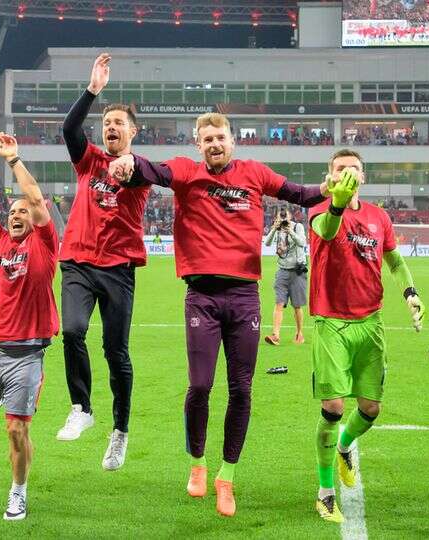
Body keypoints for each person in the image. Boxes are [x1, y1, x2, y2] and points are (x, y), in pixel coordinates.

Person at [108, 112, 331, 516]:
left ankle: (226, 477)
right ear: (198, 143)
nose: (214, 143)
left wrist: (328, 187)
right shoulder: (187, 172)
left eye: (220, 137)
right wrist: (128, 163)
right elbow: (152, 170)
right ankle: (197, 464)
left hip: (245, 297)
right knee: (200, 386)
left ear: (232, 141)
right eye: (207, 138)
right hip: (202, 298)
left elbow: (299, 193)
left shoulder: (254, 173)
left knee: (242, 390)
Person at [306, 149, 424, 524]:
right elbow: (325, 230)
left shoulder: (379, 217)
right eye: (340, 169)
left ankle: (344, 446)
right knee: (334, 408)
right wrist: (337, 204)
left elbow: (394, 260)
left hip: (370, 323)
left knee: (370, 408)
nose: (347, 173)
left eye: (353, 168)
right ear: (330, 176)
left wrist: (411, 293)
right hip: (331, 322)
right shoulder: (318, 209)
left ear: (364, 176)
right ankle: (325, 493)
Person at [56, 53, 150, 471]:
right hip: (78, 261)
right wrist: (92, 90)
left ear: (132, 132)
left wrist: (135, 164)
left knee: (116, 352)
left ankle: (120, 431)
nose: (111, 128)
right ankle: (82, 407)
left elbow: (147, 171)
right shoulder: (89, 160)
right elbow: (68, 128)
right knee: (72, 330)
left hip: (118, 268)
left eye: (119, 124)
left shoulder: (140, 170)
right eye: (106, 123)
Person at [0, 133, 59, 521]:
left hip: (26, 354)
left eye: (22, 212)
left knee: (17, 432)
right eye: (12, 212)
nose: (15, 215)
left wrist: (13, 159)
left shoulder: (45, 243)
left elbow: (36, 199)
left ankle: (18, 492)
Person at [263, 207, 308, 346]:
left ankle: (299, 332)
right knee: (279, 303)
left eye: (285, 217)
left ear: (290, 217)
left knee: (297, 306)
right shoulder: (277, 230)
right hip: (282, 271)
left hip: (297, 271)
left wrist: (290, 231)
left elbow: (302, 242)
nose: (282, 220)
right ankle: (275, 335)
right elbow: (267, 243)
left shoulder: (297, 227)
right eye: (279, 218)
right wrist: (274, 229)